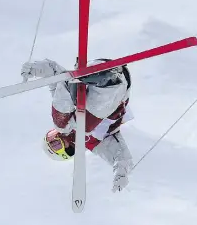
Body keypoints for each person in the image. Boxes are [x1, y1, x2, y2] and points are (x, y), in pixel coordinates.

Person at [21, 58, 134, 192]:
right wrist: (122, 173)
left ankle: (72, 84)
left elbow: (53, 72)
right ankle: (102, 81)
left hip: (94, 69)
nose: (57, 137)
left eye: (51, 137)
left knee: (64, 122)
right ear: (66, 153)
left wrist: (35, 68)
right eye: (56, 144)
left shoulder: (65, 123)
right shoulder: (94, 143)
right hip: (115, 87)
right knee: (82, 127)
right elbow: (120, 156)